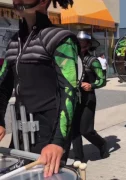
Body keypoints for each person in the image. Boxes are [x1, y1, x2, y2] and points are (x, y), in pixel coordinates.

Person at [0, 0, 77, 177]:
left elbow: (70, 92)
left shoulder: (60, 39)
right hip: (20, 135)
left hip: (49, 136)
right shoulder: (14, 42)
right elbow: (3, 87)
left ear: (43, 1)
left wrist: (58, 142)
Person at [72, 31, 108, 162]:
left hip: (88, 99)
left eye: (83, 42)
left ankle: (102, 144)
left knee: (86, 130)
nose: (80, 44)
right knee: (74, 130)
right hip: (74, 98)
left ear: (88, 44)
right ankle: (79, 159)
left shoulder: (93, 61)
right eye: (78, 42)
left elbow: (103, 80)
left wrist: (91, 85)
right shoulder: (71, 60)